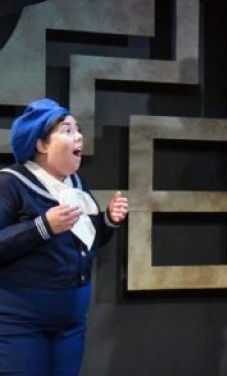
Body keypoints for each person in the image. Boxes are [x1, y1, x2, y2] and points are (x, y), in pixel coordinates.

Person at [0, 98, 129, 375]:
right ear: (41, 144)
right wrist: (42, 226)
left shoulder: (75, 184)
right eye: (68, 130)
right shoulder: (11, 183)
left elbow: (85, 241)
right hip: (20, 325)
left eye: (78, 129)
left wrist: (108, 220)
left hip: (70, 325)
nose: (79, 136)